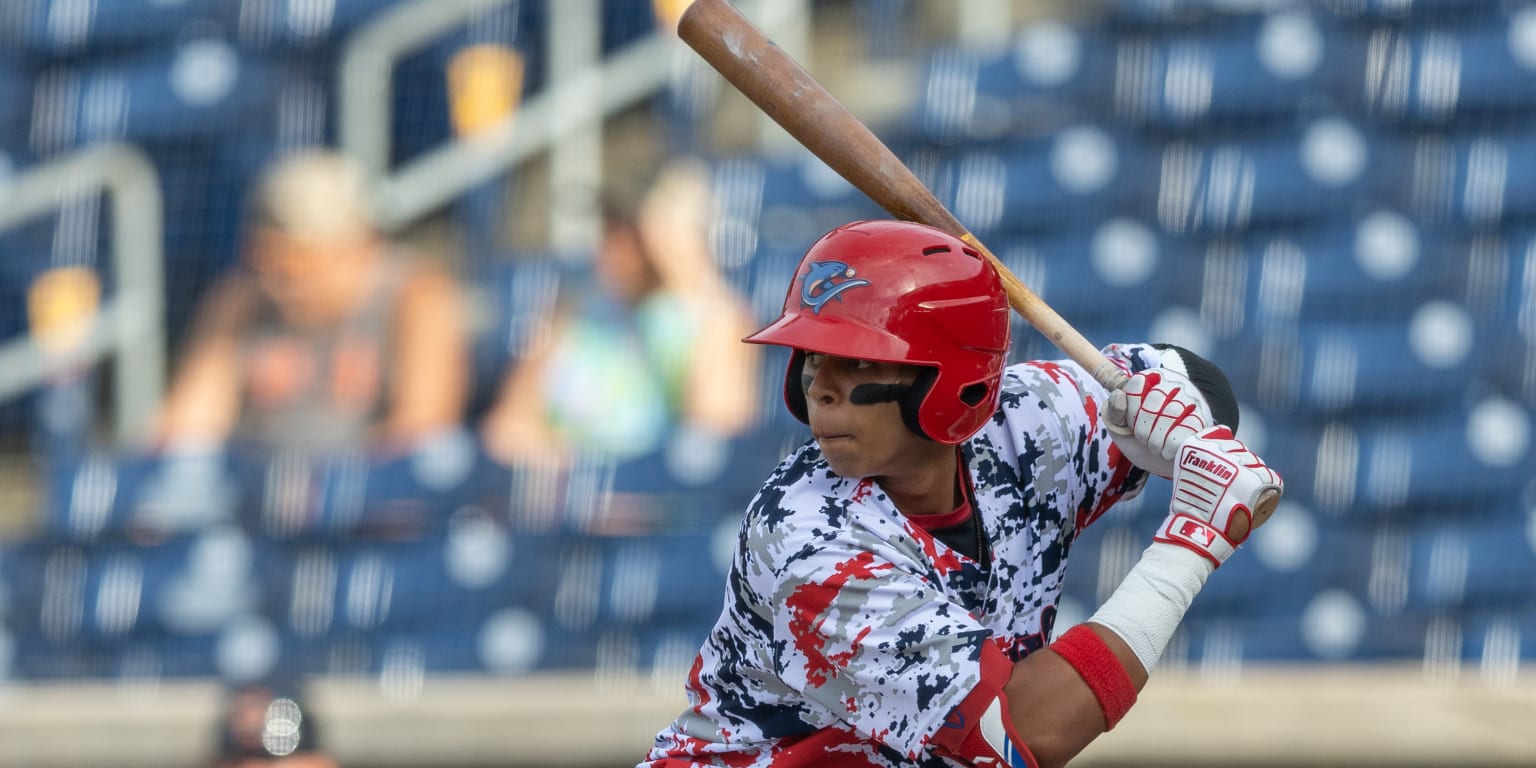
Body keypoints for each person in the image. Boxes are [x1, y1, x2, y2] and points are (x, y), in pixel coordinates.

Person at [640, 220, 1282, 768]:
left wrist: (1166, 421)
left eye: (860, 359)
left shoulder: (1028, 420)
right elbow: (1025, 736)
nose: (822, 387)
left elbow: (1199, 378)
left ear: (953, 383)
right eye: (813, 354)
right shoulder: (810, 542)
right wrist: (1187, 548)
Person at [153, 149, 471, 457]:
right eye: (267, 262)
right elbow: (185, 428)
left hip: (367, 498)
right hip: (254, 496)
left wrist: (327, 490)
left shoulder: (417, 296)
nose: (282, 285)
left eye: (302, 264)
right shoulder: (239, 298)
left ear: (361, 248)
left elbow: (419, 432)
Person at [480, 157, 759, 467]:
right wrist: (582, 472)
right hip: (567, 501)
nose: (609, 245)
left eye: (629, 231)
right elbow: (505, 430)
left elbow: (710, 440)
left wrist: (681, 254)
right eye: (607, 226)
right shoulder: (574, 309)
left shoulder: (717, 318)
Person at [211, 680, 340, 768]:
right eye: (240, 712)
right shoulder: (229, 750)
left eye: (255, 707)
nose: (247, 720)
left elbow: (322, 763)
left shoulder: (297, 741)